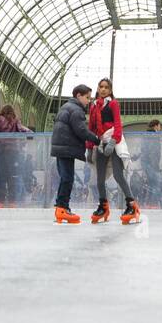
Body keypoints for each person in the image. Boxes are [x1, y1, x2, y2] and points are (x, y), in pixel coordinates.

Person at [86, 78, 138, 223]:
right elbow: (91, 128)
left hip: (114, 142)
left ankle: (132, 205)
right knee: (99, 178)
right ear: (97, 88)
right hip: (101, 142)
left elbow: (118, 124)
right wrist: (90, 148)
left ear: (110, 90)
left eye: (106, 87)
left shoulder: (113, 103)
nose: (103, 89)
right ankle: (103, 206)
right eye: (101, 86)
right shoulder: (93, 106)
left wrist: (113, 142)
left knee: (118, 174)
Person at [50, 84, 99, 223]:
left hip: (61, 148)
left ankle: (61, 208)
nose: (89, 101)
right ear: (78, 95)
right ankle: (62, 208)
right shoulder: (76, 110)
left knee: (65, 178)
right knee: (67, 179)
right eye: (87, 97)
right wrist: (97, 139)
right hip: (66, 149)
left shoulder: (66, 107)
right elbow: (81, 130)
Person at [0, 104, 30, 208]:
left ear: (2, 111)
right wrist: (31, 133)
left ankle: (0, 203)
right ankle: (12, 202)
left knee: (1, 177)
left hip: (0, 152)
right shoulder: (16, 120)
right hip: (13, 153)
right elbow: (22, 130)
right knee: (12, 177)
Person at [137, 120, 162, 206]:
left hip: (146, 163)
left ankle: (149, 203)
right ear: (156, 126)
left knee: (151, 184)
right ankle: (153, 204)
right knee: (156, 184)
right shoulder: (154, 136)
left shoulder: (146, 135)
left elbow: (144, 150)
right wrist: (155, 166)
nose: (160, 128)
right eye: (159, 126)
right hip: (151, 164)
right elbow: (153, 152)